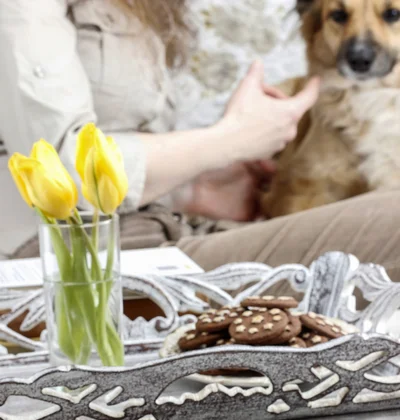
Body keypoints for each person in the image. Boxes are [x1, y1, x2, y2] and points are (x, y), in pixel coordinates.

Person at [0, 0, 399, 285]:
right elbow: (57, 172)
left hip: (168, 228)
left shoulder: (147, 9)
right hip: (78, 259)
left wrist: (195, 187)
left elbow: (117, 152)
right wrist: (229, 139)